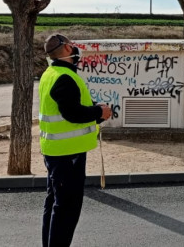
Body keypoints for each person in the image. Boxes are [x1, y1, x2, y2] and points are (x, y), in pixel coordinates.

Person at [39, 33, 112, 247]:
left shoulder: (51, 73)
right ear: (68, 49)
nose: (76, 49)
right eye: (72, 45)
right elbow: (72, 113)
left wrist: (94, 108)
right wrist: (99, 113)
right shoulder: (65, 77)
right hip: (66, 154)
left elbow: (69, 108)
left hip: (57, 151)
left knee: (55, 204)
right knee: (66, 209)